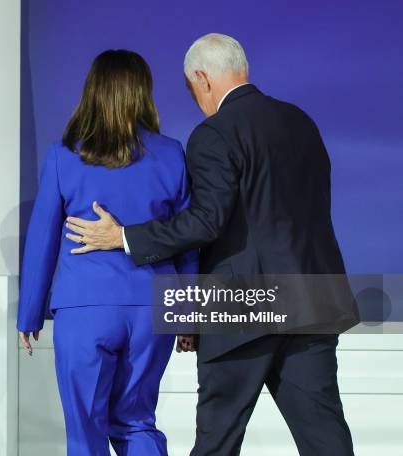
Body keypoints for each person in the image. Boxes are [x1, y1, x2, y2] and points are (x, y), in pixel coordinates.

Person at [66, 34, 358, 455]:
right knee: (326, 439)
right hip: (313, 302)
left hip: (244, 307)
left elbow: (205, 222)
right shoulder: (301, 122)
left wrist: (125, 236)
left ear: (202, 78)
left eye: (190, 89)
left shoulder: (215, 133)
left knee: (216, 443)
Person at [17, 49, 198, 456]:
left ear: (93, 91)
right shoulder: (171, 153)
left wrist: (29, 313)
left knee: (86, 433)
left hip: (85, 310)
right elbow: (187, 238)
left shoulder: (65, 155)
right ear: (142, 93)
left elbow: (43, 239)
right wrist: (187, 314)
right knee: (137, 423)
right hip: (153, 310)